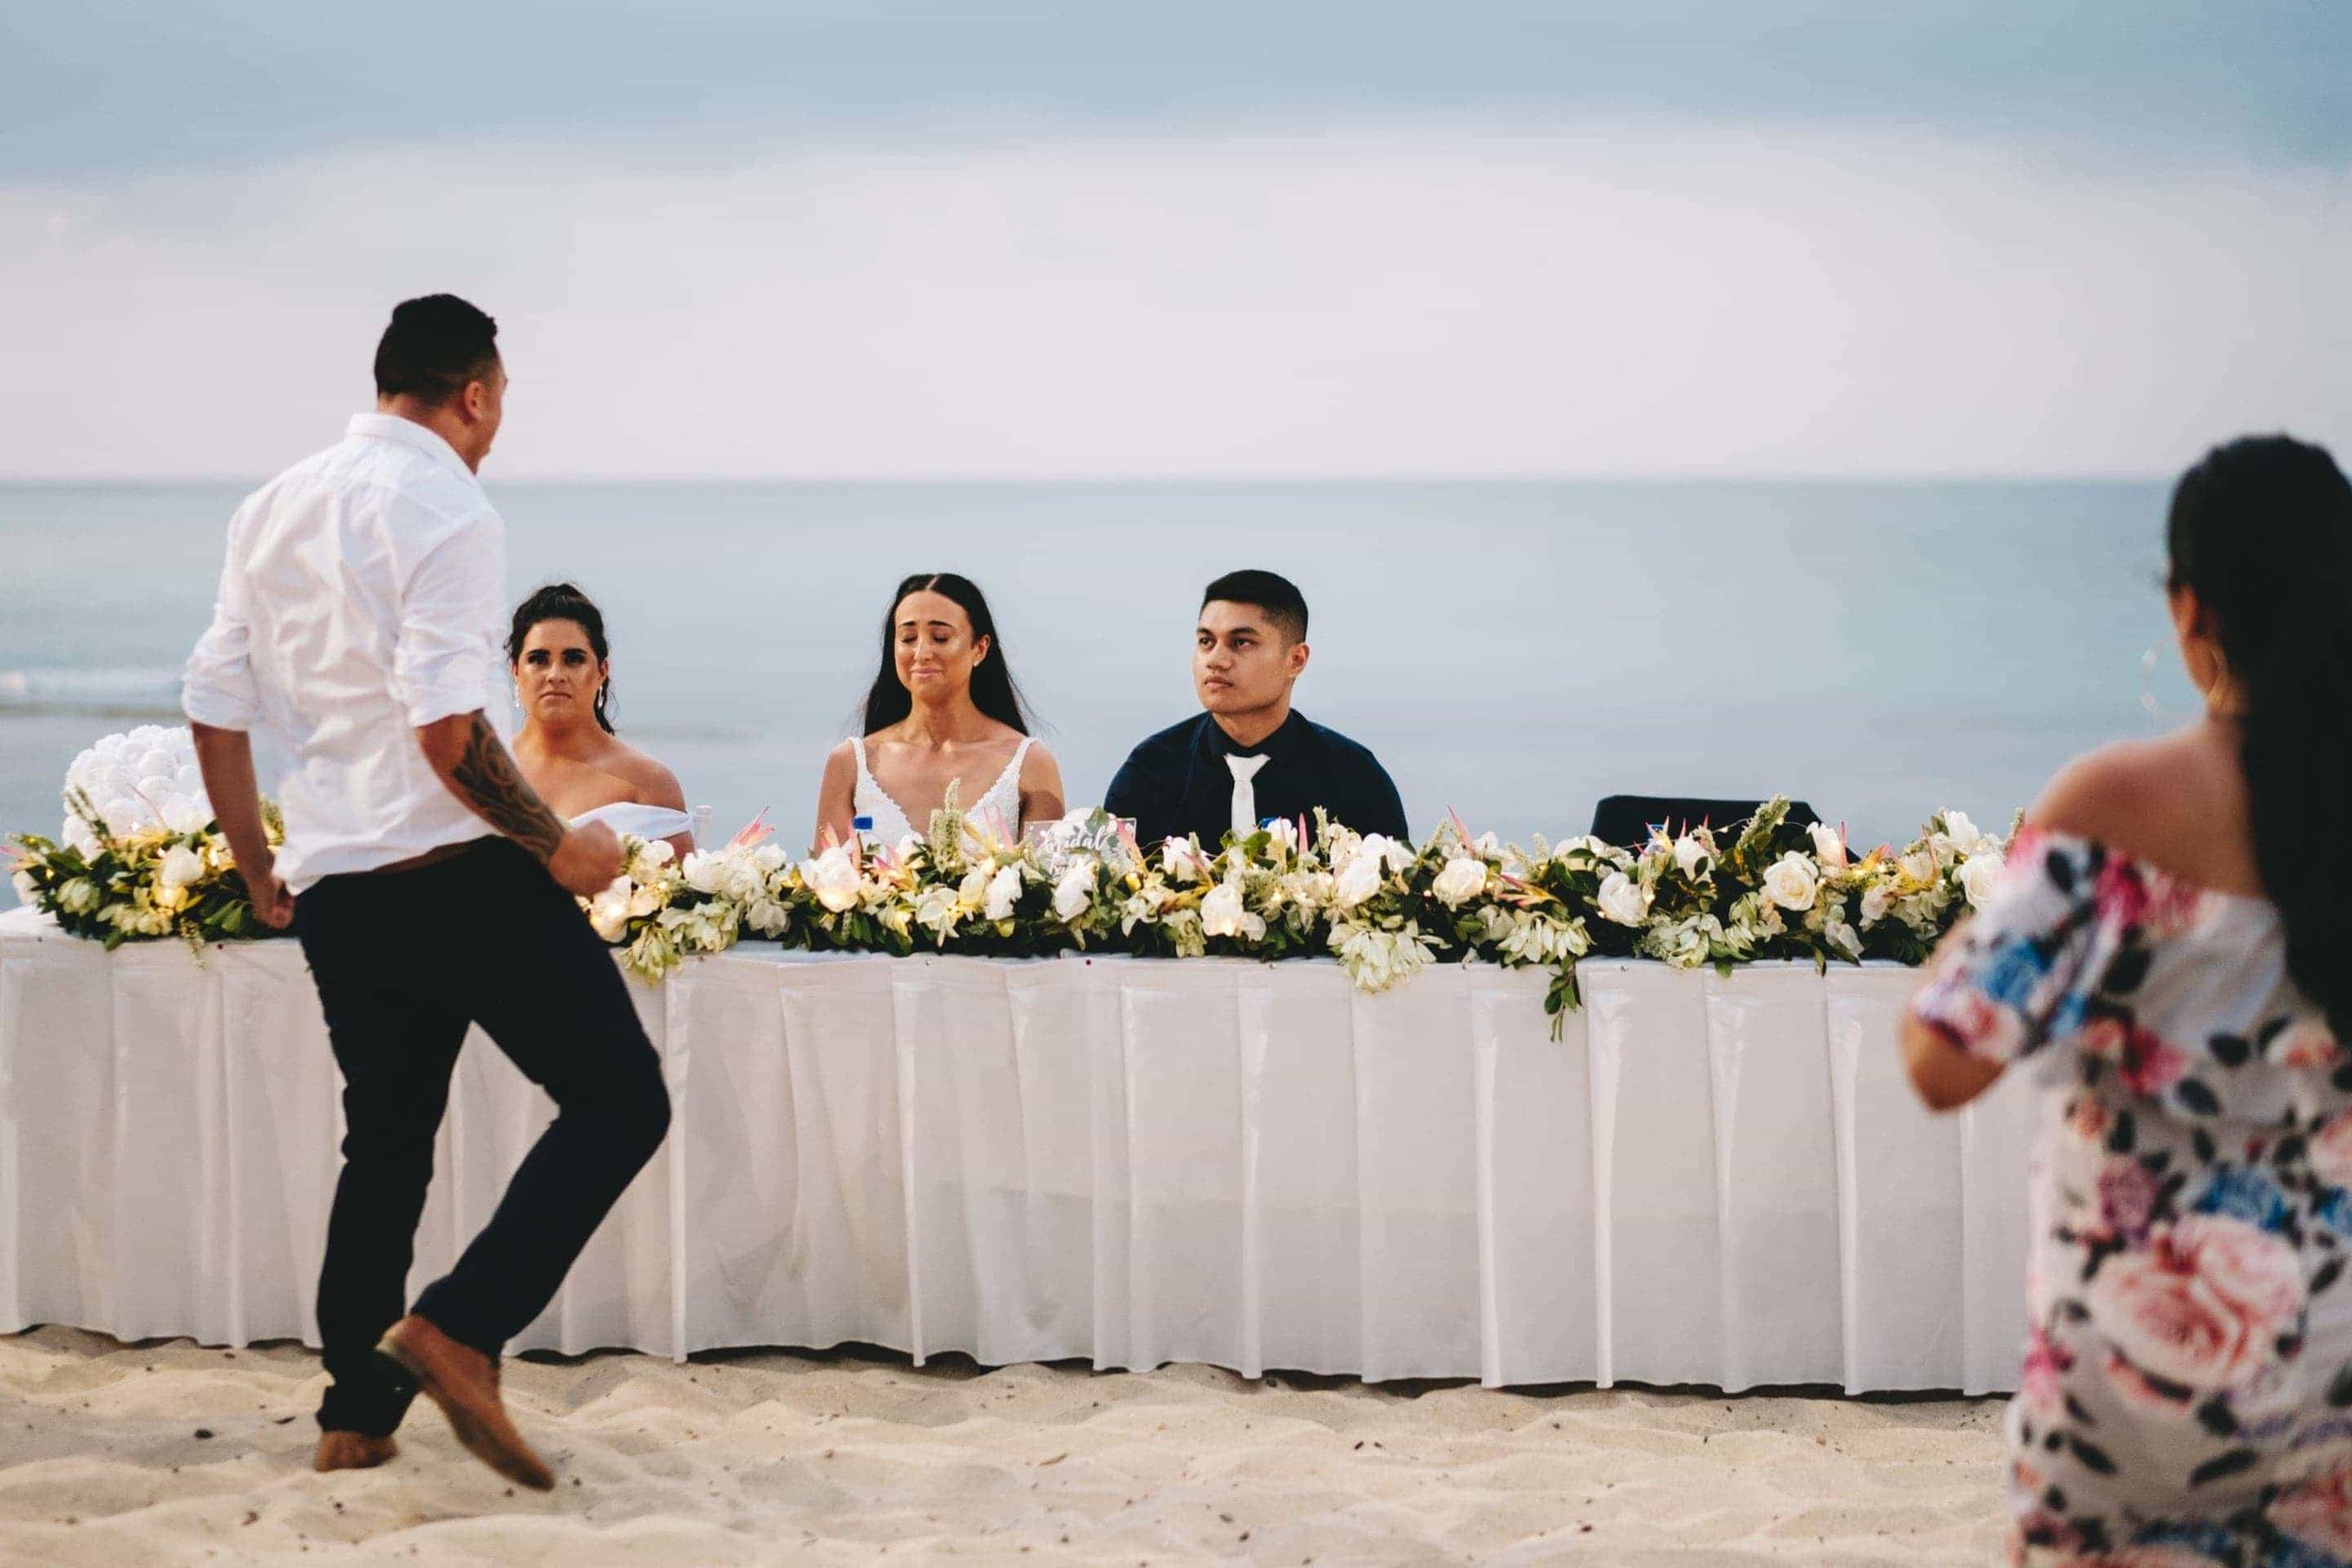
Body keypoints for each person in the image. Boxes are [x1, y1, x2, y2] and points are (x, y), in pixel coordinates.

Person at [182, 294, 670, 1491]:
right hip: (458, 876)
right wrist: (556, 843)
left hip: (339, 888)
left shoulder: (273, 504)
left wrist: (254, 859)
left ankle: (357, 1410)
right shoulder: (448, 502)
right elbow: (448, 728)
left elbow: (214, 698)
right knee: (620, 1100)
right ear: (477, 392)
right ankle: (457, 1325)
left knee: (388, 1144)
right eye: (499, 404)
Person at [1900, 436, 2352, 1566]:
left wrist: (1999, 904)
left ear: (2188, 609)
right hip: (2331, 1378)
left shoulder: (2115, 803)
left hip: (2129, 1399)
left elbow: (1939, 1061)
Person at [1105, 569, 1407, 850]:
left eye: (1241, 642)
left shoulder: (1352, 776)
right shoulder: (1152, 770)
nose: (1216, 660)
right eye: (1206, 641)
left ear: (1296, 660)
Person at [812, 572, 1065, 850]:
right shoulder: (851, 764)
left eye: (940, 637)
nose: (922, 652)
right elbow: (828, 884)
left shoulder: (1030, 764)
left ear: (980, 648)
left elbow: (1049, 884)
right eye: (908, 638)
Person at [507, 582, 695, 863]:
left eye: (573, 659)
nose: (555, 674)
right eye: (538, 659)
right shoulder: (485, 773)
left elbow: (683, 901)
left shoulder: (649, 784)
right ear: (516, 671)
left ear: (601, 671)